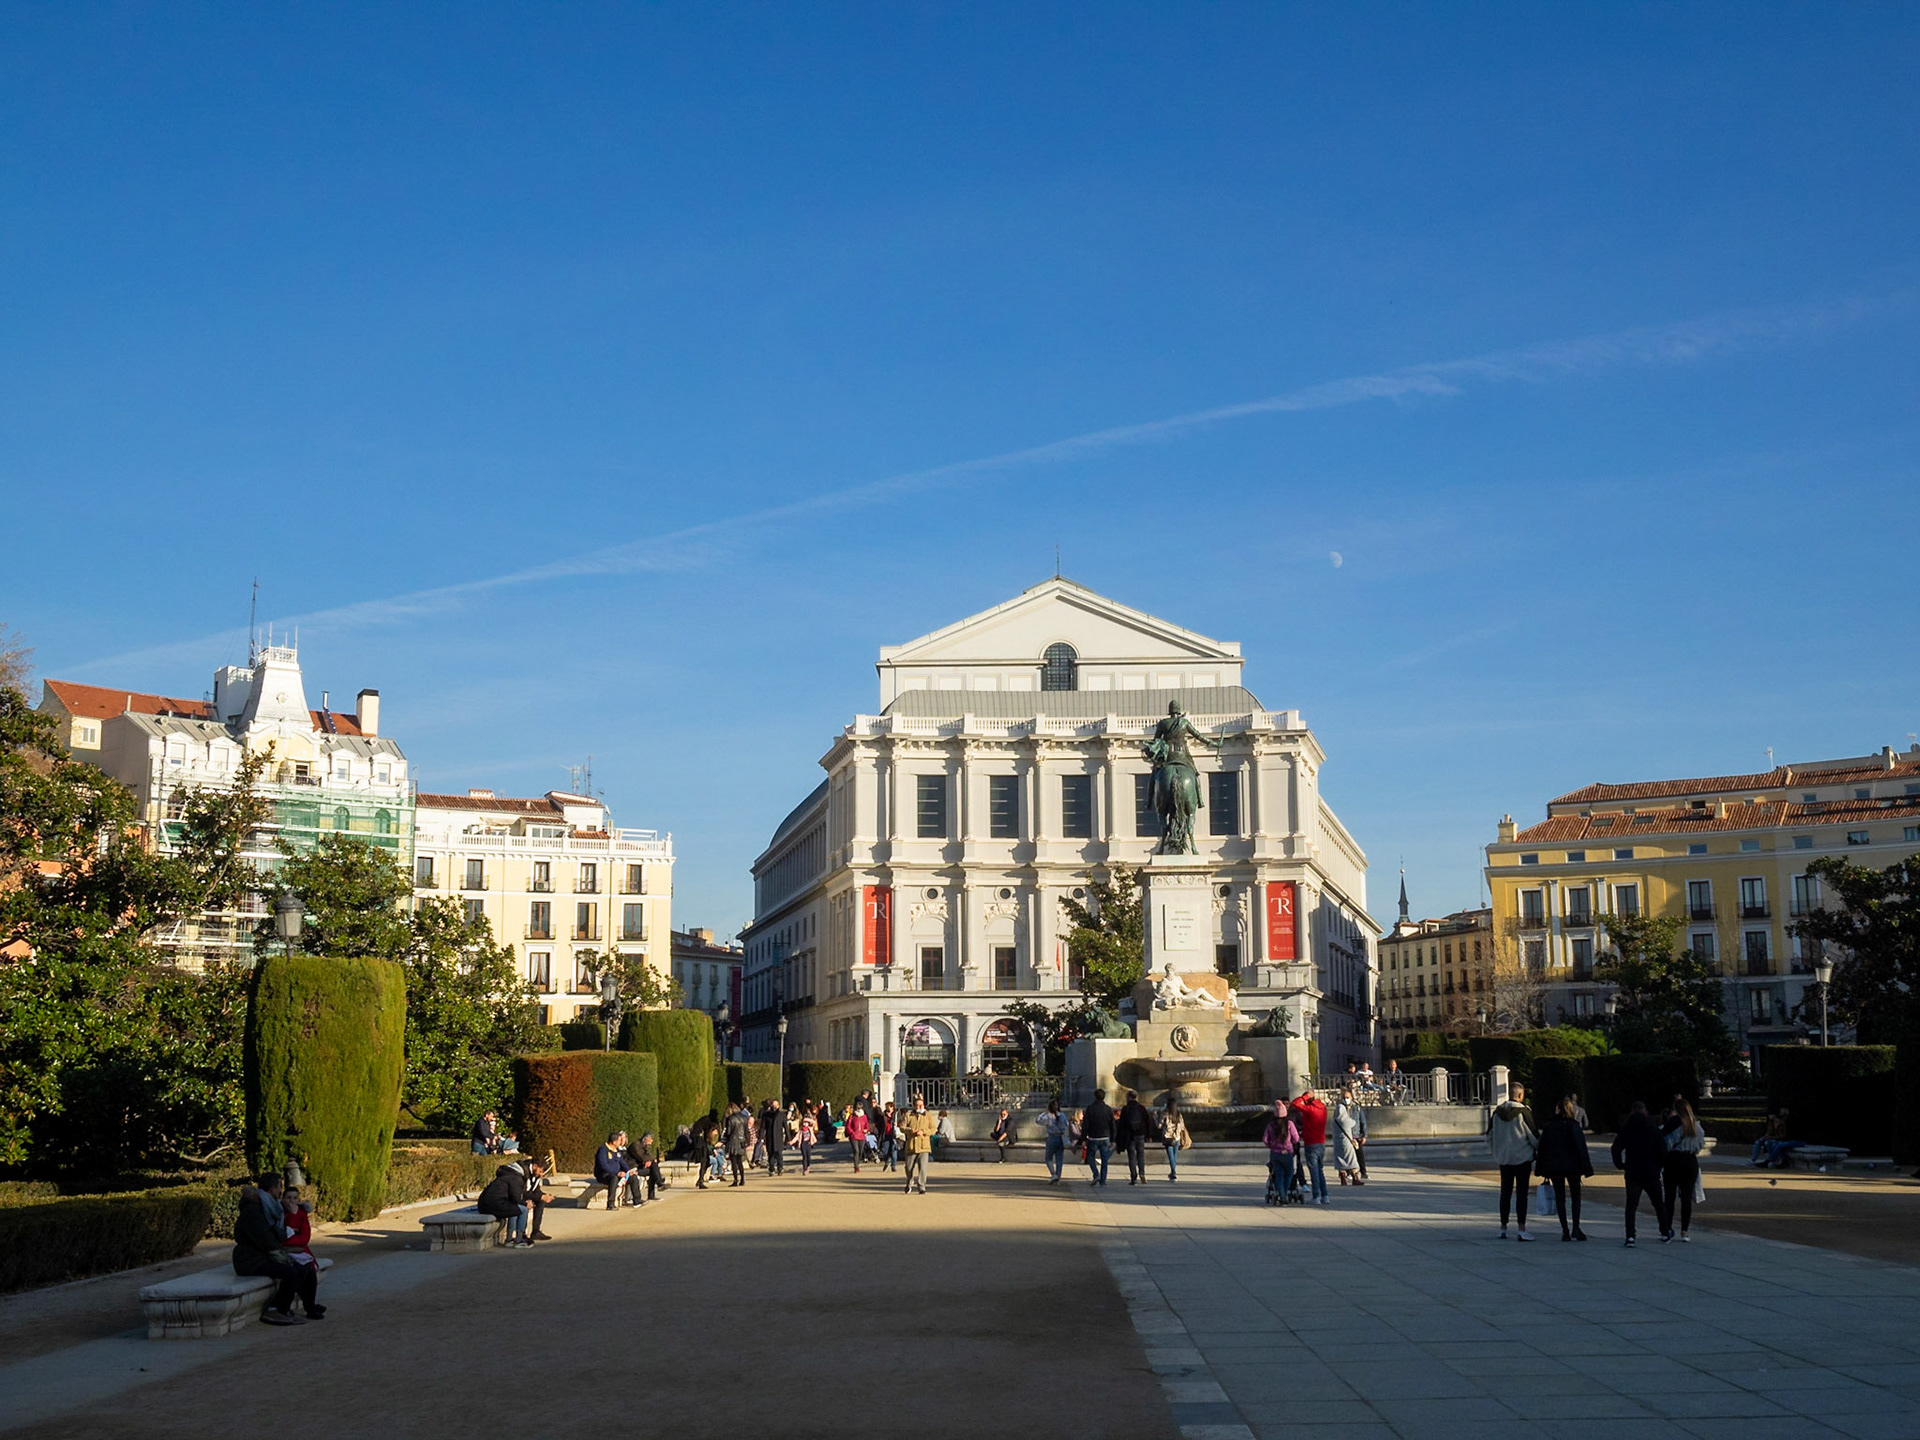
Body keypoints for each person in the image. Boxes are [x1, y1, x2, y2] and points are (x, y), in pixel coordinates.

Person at [235, 1173, 324, 1322]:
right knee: (291, 1271)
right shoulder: (254, 1210)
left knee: (304, 1267)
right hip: (250, 1259)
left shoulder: (269, 1206)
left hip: (262, 1255)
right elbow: (265, 1238)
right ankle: (275, 1309)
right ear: (271, 1189)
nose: (280, 1191)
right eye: (279, 1187)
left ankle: (304, 1307)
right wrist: (285, 1249)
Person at [1611, 1099, 1672, 1246]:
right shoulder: (1653, 1129)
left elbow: (1616, 1148)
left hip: (1633, 1171)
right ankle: (1664, 1231)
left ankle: (1630, 1236)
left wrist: (1621, 1165)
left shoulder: (1627, 1129)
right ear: (1645, 1112)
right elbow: (1662, 1151)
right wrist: (1659, 1166)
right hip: (1651, 1171)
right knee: (1658, 1204)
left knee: (1631, 1206)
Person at [1534, 1096, 1592, 1241]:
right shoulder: (1573, 1126)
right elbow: (1581, 1148)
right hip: (1573, 1166)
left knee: (1560, 1198)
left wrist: (1541, 1169)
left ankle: (1565, 1229)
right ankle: (1576, 1228)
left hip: (1555, 1167)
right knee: (1575, 1197)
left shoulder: (1549, 1126)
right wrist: (1587, 1167)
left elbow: (1542, 1148)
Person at [1485, 1082, 1538, 1240]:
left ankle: (1503, 1227)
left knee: (1505, 1193)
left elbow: (1489, 1136)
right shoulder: (1524, 1112)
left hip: (1504, 1158)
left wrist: (1497, 1151)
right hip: (1522, 1158)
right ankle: (1522, 1228)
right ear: (1521, 1095)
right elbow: (1533, 1137)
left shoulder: (1497, 1112)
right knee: (1522, 1194)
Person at [1661, 1097, 1707, 1242]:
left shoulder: (1677, 1126)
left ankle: (1667, 1228)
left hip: (1674, 1161)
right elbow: (1701, 1144)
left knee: (1669, 1197)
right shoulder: (1697, 1127)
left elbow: (1668, 1144)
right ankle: (1684, 1231)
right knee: (1686, 1198)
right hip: (1690, 1161)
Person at [475, 1159, 536, 1249]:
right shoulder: (516, 1178)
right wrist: (526, 1203)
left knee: (513, 1209)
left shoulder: (507, 1175)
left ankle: (509, 1239)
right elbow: (516, 1199)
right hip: (494, 1205)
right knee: (523, 1209)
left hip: (485, 1204)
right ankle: (519, 1239)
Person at [1293, 1089, 1330, 1205]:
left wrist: (1304, 1097)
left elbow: (1295, 1103)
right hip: (1321, 1142)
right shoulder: (1323, 1108)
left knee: (1313, 1171)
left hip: (1311, 1142)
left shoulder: (1309, 1110)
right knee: (1320, 1170)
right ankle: (1325, 1196)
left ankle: (1316, 1196)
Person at [1261, 1100, 1300, 1203]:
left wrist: (1271, 1146)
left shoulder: (1271, 1125)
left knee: (1278, 1174)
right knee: (1289, 1174)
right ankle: (1284, 1193)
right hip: (1287, 1153)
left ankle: (1281, 1195)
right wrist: (1291, 1144)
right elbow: (1296, 1138)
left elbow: (1265, 1139)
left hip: (1275, 1154)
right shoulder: (1290, 1124)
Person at [900, 1093, 938, 1193]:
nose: (919, 1107)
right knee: (908, 1167)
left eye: (921, 1105)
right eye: (917, 1105)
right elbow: (902, 1127)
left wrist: (924, 1132)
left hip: (924, 1146)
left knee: (923, 1168)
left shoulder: (928, 1116)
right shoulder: (908, 1115)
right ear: (914, 1106)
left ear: (924, 1105)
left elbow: (933, 1129)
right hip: (911, 1145)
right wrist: (910, 1131)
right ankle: (910, 1181)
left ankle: (921, 1186)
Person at [1330, 1087, 1367, 1186]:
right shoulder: (1345, 1121)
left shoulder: (1334, 1121)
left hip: (1337, 1142)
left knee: (1340, 1160)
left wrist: (1364, 1134)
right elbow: (1353, 1123)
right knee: (1352, 1159)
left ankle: (1343, 1177)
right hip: (1348, 1141)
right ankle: (1355, 1178)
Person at [595, 1130, 640, 1208]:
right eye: (619, 1140)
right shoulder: (602, 1150)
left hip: (617, 1173)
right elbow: (603, 1165)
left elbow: (622, 1162)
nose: (621, 1142)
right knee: (614, 1178)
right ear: (614, 1141)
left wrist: (629, 1171)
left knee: (633, 1178)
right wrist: (617, 1173)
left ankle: (637, 1201)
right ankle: (611, 1203)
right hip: (604, 1174)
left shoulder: (617, 1150)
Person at [1081, 1088, 1116, 1187]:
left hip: (1093, 1137)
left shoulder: (1090, 1108)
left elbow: (1085, 1124)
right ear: (1104, 1097)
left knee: (1090, 1157)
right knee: (1104, 1159)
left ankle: (1096, 1174)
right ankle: (1103, 1180)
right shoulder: (1108, 1109)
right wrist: (1113, 1138)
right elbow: (1112, 1125)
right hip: (1105, 1137)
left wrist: (1083, 1138)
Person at [1119, 1090, 1154, 1185]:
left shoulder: (1125, 1109)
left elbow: (1121, 1124)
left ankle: (1133, 1177)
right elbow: (1148, 1122)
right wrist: (1149, 1135)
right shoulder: (1142, 1108)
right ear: (1136, 1097)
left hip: (1130, 1136)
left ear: (1129, 1097)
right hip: (1140, 1134)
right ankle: (1142, 1173)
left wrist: (1119, 1138)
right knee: (1141, 1155)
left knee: (1131, 1157)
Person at [625, 1132, 663, 1203]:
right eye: (649, 1141)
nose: (650, 1144)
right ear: (645, 1139)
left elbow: (647, 1156)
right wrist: (651, 1160)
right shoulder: (635, 1145)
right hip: (632, 1166)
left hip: (640, 1166)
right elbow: (641, 1157)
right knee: (653, 1168)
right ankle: (659, 1182)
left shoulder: (645, 1146)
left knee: (653, 1168)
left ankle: (653, 1192)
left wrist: (650, 1161)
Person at [1158, 1097, 1190, 1182]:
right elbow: (1182, 1127)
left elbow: (1159, 1125)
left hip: (1168, 1137)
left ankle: (1173, 1173)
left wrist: (1155, 1117)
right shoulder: (1178, 1114)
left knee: (1171, 1157)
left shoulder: (1165, 1114)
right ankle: (1173, 1172)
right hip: (1177, 1138)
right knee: (1174, 1156)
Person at [1040, 1099, 1071, 1183]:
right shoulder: (1063, 1116)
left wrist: (1045, 1112)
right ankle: (1058, 1176)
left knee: (1048, 1158)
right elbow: (1066, 1126)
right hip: (1061, 1137)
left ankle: (1053, 1174)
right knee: (1059, 1159)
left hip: (1052, 1137)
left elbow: (1038, 1120)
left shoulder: (1048, 1116)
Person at [723, 1102, 752, 1186]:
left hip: (733, 1141)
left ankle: (735, 1180)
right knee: (740, 1161)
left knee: (734, 1161)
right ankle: (742, 1179)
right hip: (741, 1141)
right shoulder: (744, 1118)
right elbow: (746, 1131)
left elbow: (728, 1132)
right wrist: (747, 1141)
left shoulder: (731, 1119)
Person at [760, 1099, 787, 1176]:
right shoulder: (766, 1115)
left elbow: (785, 1126)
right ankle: (771, 1169)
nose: (774, 1107)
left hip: (778, 1137)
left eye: (776, 1105)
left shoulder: (781, 1114)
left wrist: (788, 1138)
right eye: (773, 1105)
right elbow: (763, 1126)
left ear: (778, 1106)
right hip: (769, 1137)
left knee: (779, 1153)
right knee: (770, 1153)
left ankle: (780, 1168)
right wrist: (761, 1136)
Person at [692, 1111, 718, 1189]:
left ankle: (700, 1180)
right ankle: (700, 1181)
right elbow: (708, 1135)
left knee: (706, 1162)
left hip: (700, 1144)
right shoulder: (708, 1122)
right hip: (701, 1145)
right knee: (705, 1162)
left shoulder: (704, 1120)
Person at [845, 1101, 871, 1172]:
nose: (859, 1109)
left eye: (860, 1108)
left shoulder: (864, 1117)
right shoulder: (852, 1116)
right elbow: (848, 1126)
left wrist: (866, 1129)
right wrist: (852, 1132)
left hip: (862, 1136)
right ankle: (856, 1166)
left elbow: (867, 1125)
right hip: (854, 1137)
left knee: (860, 1151)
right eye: (857, 1108)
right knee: (856, 1151)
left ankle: (858, 1162)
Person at [878, 1100, 901, 1171]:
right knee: (886, 1151)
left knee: (894, 1151)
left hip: (894, 1135)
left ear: (892, 1107)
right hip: (886, 1135)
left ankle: (893, 1166)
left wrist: (897, 1124)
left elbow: (902, 1122)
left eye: (888, 1107)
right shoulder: (883, 1115)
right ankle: (887, 1161)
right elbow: (880, 1125)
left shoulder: (897, 1114)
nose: (887, 1109)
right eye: (886, 1107)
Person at [797, 1103, 819, 1173]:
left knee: (808, 1156)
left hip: (809, 1142)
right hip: (803, 1143)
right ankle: (805, 1168)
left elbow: (813, 1122)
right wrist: (793, 1142)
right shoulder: (801, 1129)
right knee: (804, 1156)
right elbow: (797, 1136)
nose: (804, 1124)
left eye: (806, 1123)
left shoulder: (810, 1128)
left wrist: (807, 1120)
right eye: (804, 1123)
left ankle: (808, 1165)